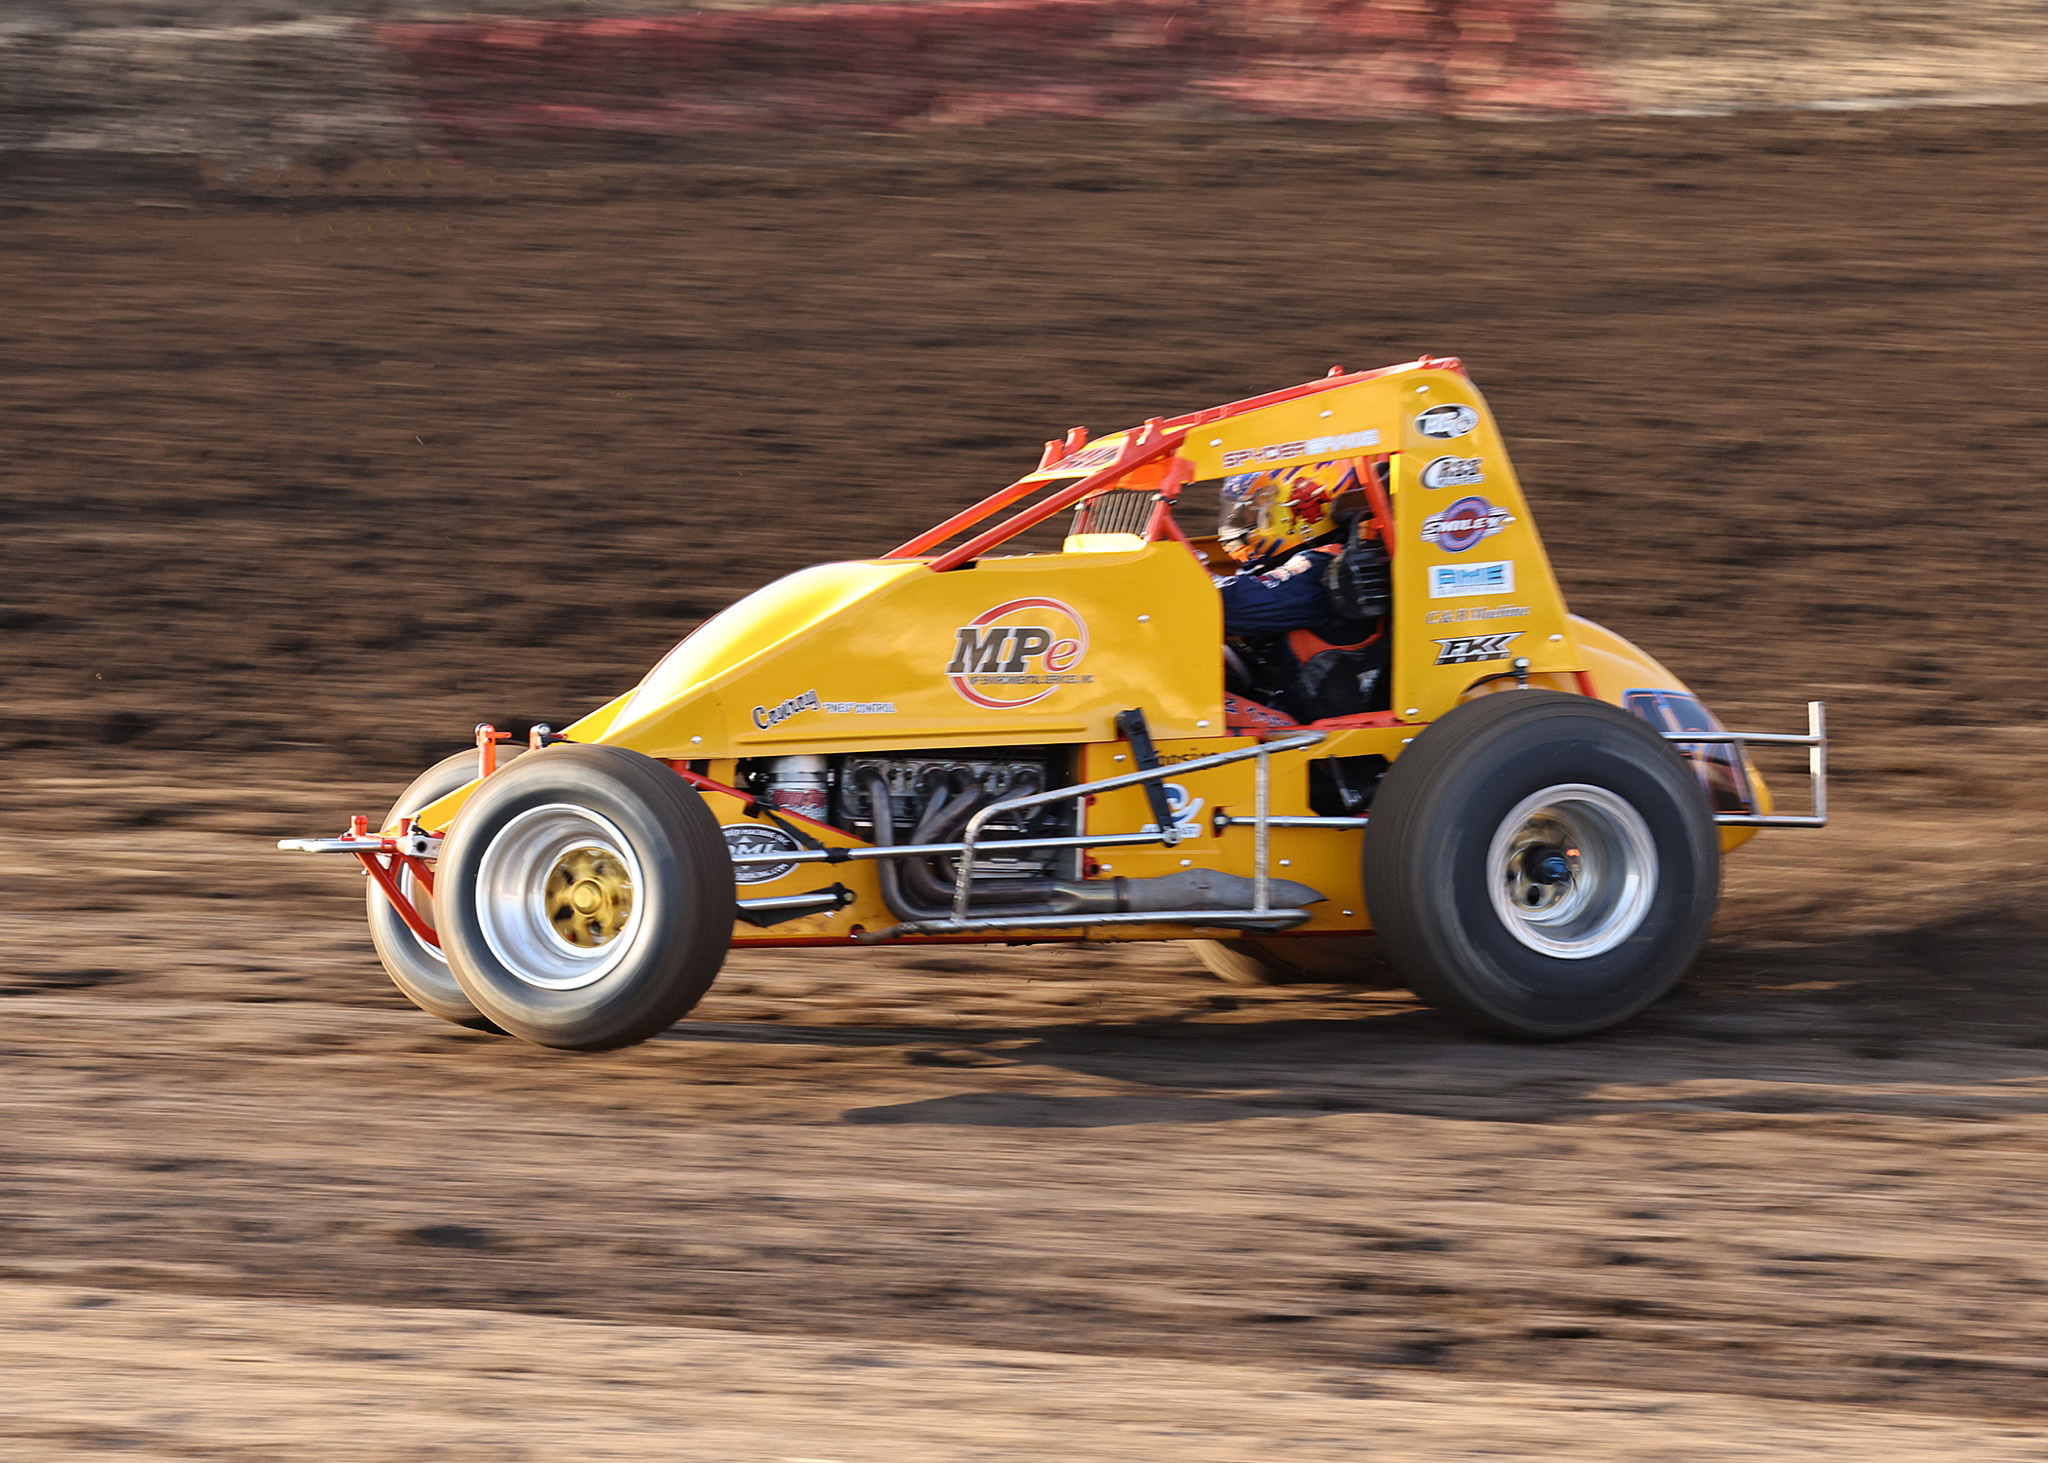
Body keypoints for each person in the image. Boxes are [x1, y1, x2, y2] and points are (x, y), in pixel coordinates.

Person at [1214, 462, 1392, 722]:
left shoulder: (1320, 567)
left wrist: (1184, 582)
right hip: (1277, 704)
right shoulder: (1310, 563)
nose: (1236, 524)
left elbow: (1230, 605)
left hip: (1298, 727)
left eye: (1251, 514)